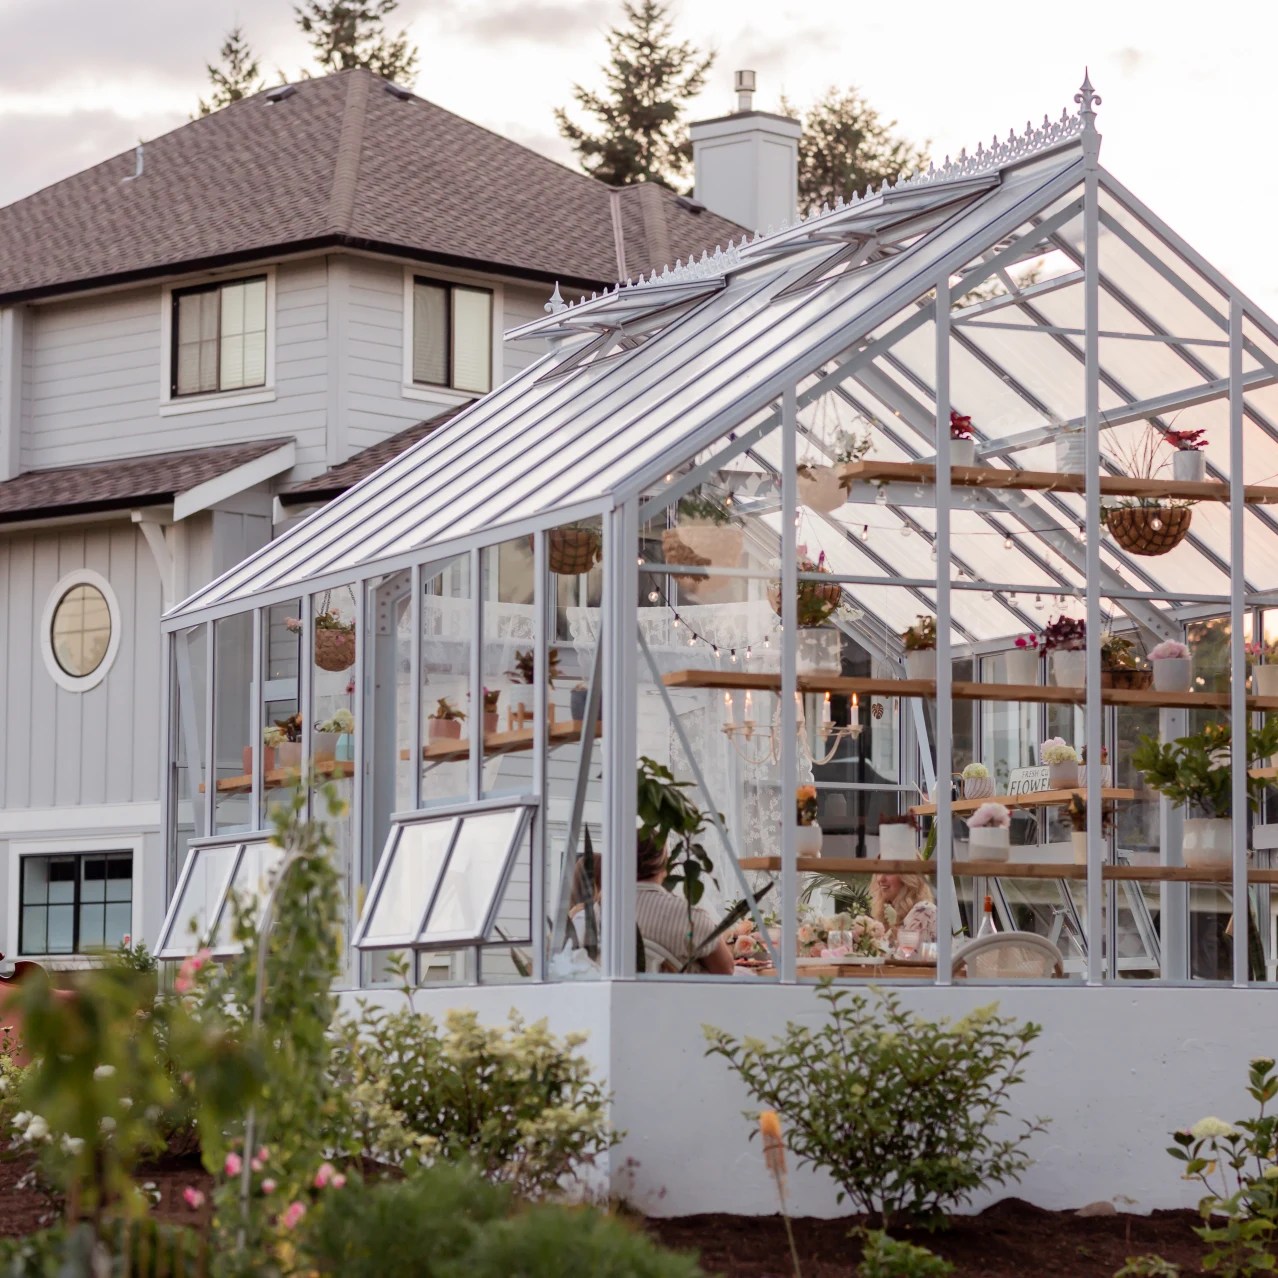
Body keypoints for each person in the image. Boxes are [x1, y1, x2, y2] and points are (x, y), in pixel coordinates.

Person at [634, 836, 735, 975]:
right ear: (664, 864)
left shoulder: (601, 909)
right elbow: (726, 970)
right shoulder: (689, 916)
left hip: (618, 996)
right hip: (681, 996)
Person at [870, 871, 937, 945]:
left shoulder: (924, 910)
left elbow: (907, 954)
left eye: (889, 872)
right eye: (878, 872)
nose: (880, 879)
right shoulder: (886, 914)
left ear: (907, 878)